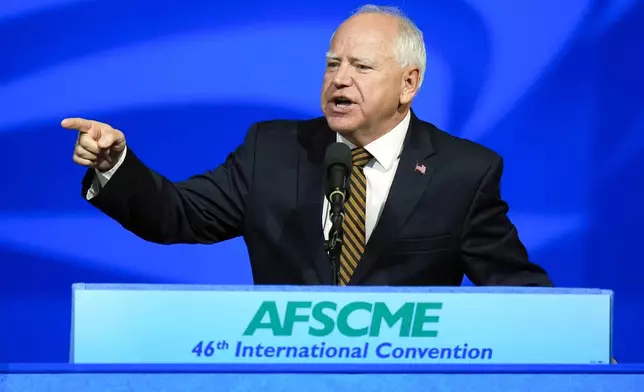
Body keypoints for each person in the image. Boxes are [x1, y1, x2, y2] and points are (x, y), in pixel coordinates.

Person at [61, 5, 553, 287]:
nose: (339, 80)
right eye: (331, 64)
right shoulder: (272, 149)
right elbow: (176, 215)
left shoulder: (463, 171)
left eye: (361, 67)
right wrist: (115, 165)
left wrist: (583, 350)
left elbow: (514, 287)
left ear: (409, 83)